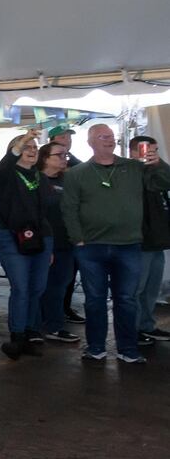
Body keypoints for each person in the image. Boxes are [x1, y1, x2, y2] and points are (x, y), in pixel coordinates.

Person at [62, 124, 170, 363]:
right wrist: (77, 238)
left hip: (128, 245)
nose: (109, 140)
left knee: (127, 299)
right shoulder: (77, 173)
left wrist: (158, 163)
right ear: (90, 142)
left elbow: (165, 183)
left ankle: (128, 349)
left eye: (111, 136)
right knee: (95, 299)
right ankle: (96, 347)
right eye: (102, 137)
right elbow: (69, 208)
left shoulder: (134, 168)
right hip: (91, 246)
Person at [0, 132, 52, 360]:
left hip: (41, 236)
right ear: (14, 150)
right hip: (9, 234)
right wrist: (23, 139)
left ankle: (28, 332)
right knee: (22, 286)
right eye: (26, 146)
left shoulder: (40, 176)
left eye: (35, 146)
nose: (32, 149)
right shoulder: (6, 173)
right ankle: (17, 336)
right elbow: (9, 159)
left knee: (38, 287)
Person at [128, 136, 170, 345]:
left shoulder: (156, 170)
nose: (151, 154)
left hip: (157, 239)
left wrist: (159, 163)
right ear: (135, 151)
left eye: (154, 150)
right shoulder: (130, 172)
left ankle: (146, 325)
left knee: (151, 288)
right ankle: (133, 330)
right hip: (141, 240)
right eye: (147, 150)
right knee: (137, 288)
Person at [37, 141, 79, 343]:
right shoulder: (36, 180)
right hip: (45, 241)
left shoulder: (68, 179)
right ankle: (49, 325)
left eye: (66, 155)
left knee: (62, 284)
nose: (64, 159)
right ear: (45, 158)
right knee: (48, 286)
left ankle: (54, 322)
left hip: (67, 241)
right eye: (60, 155)